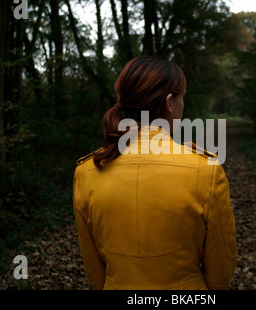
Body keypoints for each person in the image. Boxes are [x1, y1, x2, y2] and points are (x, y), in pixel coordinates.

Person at [73, 55, 237, 290]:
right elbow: (220, 273)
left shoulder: (87, 170)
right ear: (170, 103)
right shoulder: (205, 170)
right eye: (183, 98)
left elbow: (95, 274)